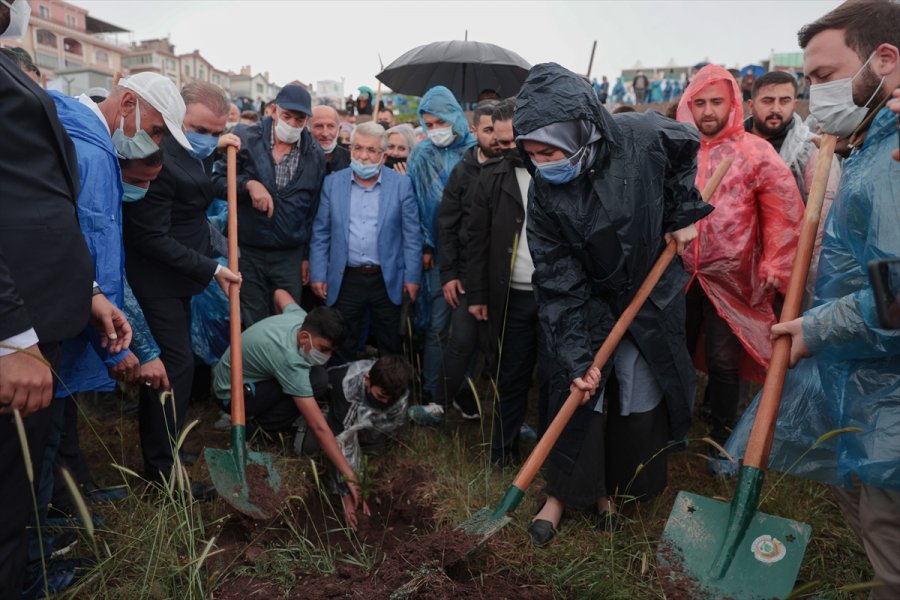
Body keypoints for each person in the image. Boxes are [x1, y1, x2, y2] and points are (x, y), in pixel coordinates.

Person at [513, 63, 712, 546]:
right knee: (580, 389)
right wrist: (578, 355)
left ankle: (614, 492)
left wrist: (683, 212)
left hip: (651, 289)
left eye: (549, 150)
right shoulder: (545, 193)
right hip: (589, 299)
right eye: (532, 154)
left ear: (580, 130)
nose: (542, 163)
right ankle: (561, 494)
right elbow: (557, 279)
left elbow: (686, 146)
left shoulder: (639, 135)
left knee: (638, 393)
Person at [770, 3, 900, 597]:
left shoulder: (893, 161)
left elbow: (894, 297)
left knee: (889, 536)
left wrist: (815, 328)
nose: (812, 94)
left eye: (823, 76)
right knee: (871, 519)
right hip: (870, 381)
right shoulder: (871, 144)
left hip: (890, 391)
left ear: (885, 59)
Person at [0, 2, 98, 594]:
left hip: (44, 309)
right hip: (17, 325)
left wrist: (85, 290)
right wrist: (9, 334)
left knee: (16, 478)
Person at [675, 65, 804, 470]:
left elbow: (783, 212)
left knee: (724, 359)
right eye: (701, 102)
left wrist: (774, 263)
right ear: (688, 105)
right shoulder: (677, 148)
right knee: (674, 350)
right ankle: (673, 427)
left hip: (731, 279)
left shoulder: (755, 151)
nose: (708, 111)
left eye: (717, 102)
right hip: (678, 273)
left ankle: (722, 436)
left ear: (732, 104)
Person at [123, 81, 242, 493]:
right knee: (172, 370)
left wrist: (216, 142)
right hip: (156, 281)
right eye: (200, 129)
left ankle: (168, 446)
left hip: (179, 281)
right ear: (175, 117)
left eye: (215, 131)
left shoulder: (190, 151)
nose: (206, 139)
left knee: (176, 366)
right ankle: (162, 474)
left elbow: (190, 209)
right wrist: (211, 268)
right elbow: (149, 237)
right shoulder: (160, 158)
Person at [212, 290, 368, 529]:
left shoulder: (299, 317)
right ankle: (258, 430)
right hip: (232, 393)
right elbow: (318, 427)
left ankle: (266, 416)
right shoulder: (289, 361)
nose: (327, 355)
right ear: (304, 336)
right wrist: (349, 474)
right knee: (313, 383)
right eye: (324, 349)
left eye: (331, 351)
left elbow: (279, 294)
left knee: (317, 377)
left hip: (250, 377)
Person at [466, 98, 550, 464]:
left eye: (513, 139)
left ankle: (550, 455)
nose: (507, 148)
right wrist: (479, 294)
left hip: (552, 297)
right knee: (511, 375)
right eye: (500, 142)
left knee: (552, 378)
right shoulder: (492, 177)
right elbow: (477, 238)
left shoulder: (555, 169)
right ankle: (503, 452)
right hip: (511, 298)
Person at [212, 84, 325, 326]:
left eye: (300, 119)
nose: (293, 124)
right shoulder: (246, 138)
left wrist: (306, 256)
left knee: (289, 322)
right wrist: (248, 185)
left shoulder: (314, 154)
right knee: (253, 319)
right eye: (287, 116)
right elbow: (216, 180)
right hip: (249, 250)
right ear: (274, 111)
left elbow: (312, 210)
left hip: (289, 254)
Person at [309, 122, 422, 363]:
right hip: (347, 277)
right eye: (358, 148)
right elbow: (321, 232)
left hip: (386, 278)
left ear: (383, 155)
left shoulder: (401, 185)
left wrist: (412, 277)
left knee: (390, 341)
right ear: (350, 149)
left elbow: (411, 235)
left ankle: (391, 395)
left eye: (371, 150)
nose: (363, 155)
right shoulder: (333, 183)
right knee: (342, 341)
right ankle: (341, 393)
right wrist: (318, 273)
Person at [419, 100, 501, 423]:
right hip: (468, 274)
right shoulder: (464, 171)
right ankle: (439, 402)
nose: (495, 137)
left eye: (500, 130)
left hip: (507, 276)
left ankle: (509, 414)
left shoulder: (517, 167)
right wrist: (450, 273)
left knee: (505, 348)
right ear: (474, 130)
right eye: (488, 129)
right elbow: (447, 226)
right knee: (460, 340)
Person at [406, 86, 476, 405]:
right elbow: (415, 204)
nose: (435, 130)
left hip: (473, 251)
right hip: (436, 251)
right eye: (429, 124)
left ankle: (465, 390)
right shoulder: (421, 153)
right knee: (438, 324)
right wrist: (425, 245)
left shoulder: (474, 151)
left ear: (455, 118)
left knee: (470, 325)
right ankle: (434, 391)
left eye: (440, 122)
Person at [745, 70, 843, 296]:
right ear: (751, 105)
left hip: (785, 272)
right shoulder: (733, 146)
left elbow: (820, 221)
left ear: (795, 103)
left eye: (784, 101)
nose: (776, 109)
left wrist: (791, 268)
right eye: (768, 101)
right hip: (737, 264)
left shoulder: (811, 151)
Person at [297, 355, 413, 475]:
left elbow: (395, 426)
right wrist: (349, 482)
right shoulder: (348, 389)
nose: (385, 403)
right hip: (332, 415)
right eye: (380, 397)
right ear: (367, 380)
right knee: (311, 448)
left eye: (391, 399)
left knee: (377, 455)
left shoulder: (396, 390)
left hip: (363, 425)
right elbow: (341, 441)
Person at [310, 105, 351, 174]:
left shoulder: (350, 160)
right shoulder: (297, 159)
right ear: (307, 129)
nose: (325, 134)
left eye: (330, 126)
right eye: (319, 126)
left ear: (339, 129)